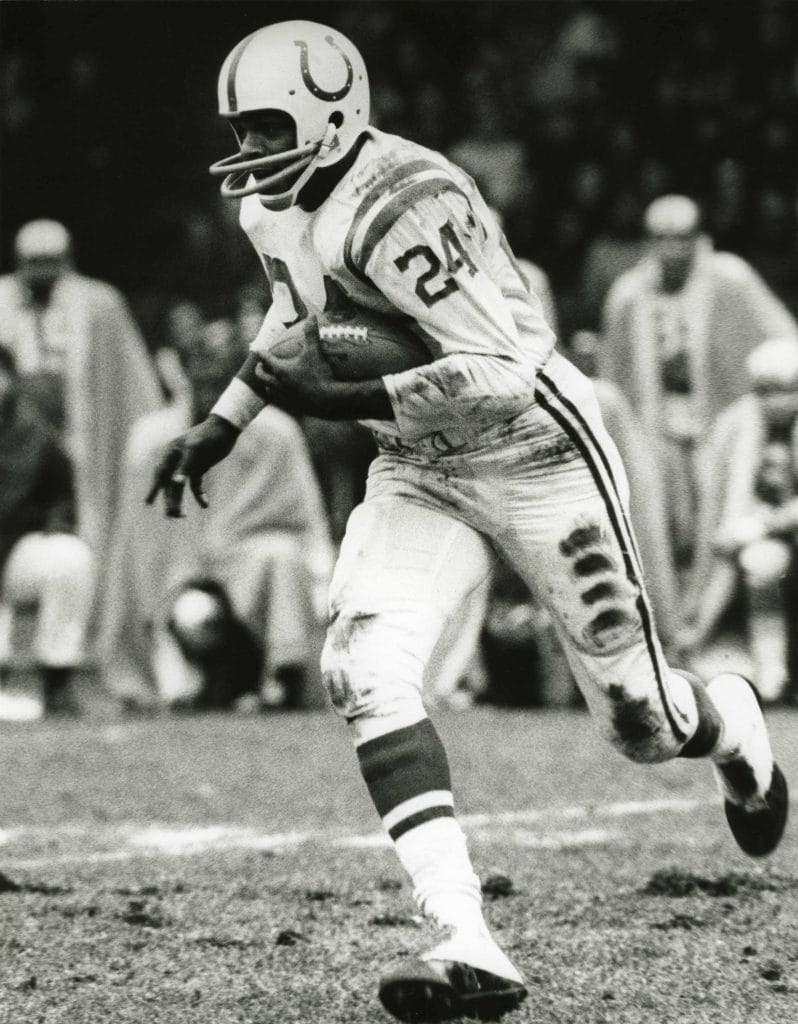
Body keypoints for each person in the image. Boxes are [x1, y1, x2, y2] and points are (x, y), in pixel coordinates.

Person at [146, 21, 789, 1022]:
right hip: (418, 460)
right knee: (361, 666)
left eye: (271, 126)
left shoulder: (407, 203)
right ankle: (464, 936)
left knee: (642, 723)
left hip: (535, 446)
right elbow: (297, 317)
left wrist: (344, 398)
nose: (252, 151)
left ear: (332, 114)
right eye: (242, 129)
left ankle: (734, 726)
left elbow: (500, 373)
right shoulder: (270, 206)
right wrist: (226, 420)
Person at [102, 314, 333, 713]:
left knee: (282, 557)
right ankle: (205, 684)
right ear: (184, 374)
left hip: (253, 574)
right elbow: (135, 547)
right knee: (193, 616)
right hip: (178, 583)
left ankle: (283, 680)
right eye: (202, 375)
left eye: (221, 378)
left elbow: (308, 525)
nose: (211, 388)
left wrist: (322, 584)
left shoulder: (276, 434)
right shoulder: (152, 440)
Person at [599, 195, 798, 605]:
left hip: (724, 417)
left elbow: (783, 336)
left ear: (699, 238)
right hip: (654, 421)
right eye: (662, 238)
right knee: (667, 517)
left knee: (719, 503)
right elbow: (611, 372)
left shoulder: (731, 278)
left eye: (682, 237)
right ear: (648, 241)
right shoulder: (628, 293)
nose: (673, 248)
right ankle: (670, 608)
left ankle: (713, 605)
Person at [0, 220, 163, 596]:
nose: (41, 273)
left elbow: (133, 382)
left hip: (87, 439)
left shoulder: (99, 303)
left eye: (50, 262)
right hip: (17, 444)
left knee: (90, 532)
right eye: (33, 262)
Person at [681, 336, 798, 703]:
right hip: (761, 540)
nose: (775, 400)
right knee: (760, 564)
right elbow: (720, 498)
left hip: (780, 527)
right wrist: (745, 527)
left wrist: (765, 524)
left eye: (785, 390)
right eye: (765, 391)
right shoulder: (737, 423)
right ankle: (771, 671)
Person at [0, 346, 94, 716]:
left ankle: (57, 677)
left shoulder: (35, 433)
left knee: (70, 558)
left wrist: (55, 524)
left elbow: (61, 497)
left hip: (14, 550)